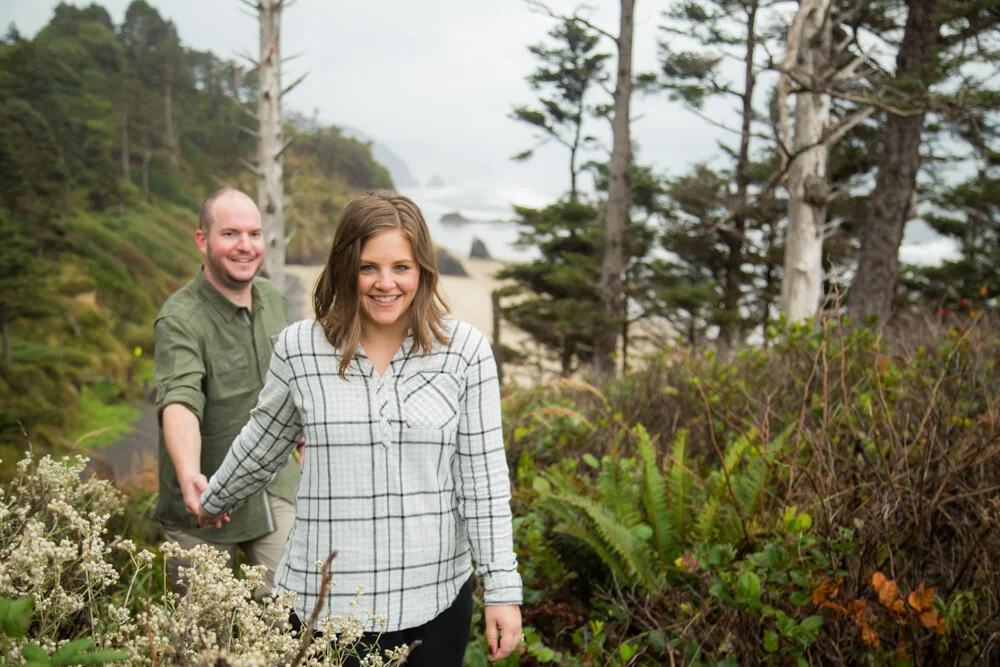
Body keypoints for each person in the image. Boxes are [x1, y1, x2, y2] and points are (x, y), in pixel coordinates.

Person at [197, 190, 523, 664]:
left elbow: (484, 482)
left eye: (401, 268)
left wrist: (501, 589)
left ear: (422, 271)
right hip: (321, 607)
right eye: (368, 266)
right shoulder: (299, 349)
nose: (384, 283)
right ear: (344, 266)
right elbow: (260, 445)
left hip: (433, 604)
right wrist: (214, 500)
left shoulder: (465, 352)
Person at [152, 187, 300, 599]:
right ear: (203, 240)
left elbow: (292, 377)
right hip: (202, 502)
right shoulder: (179, 319)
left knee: (289, 618)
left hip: (272, 487)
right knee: (201, 638)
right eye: (230, 234)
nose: (246, 246)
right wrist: (189, 476)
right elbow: (179, 401)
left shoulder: (272, 297)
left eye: (254, 234)